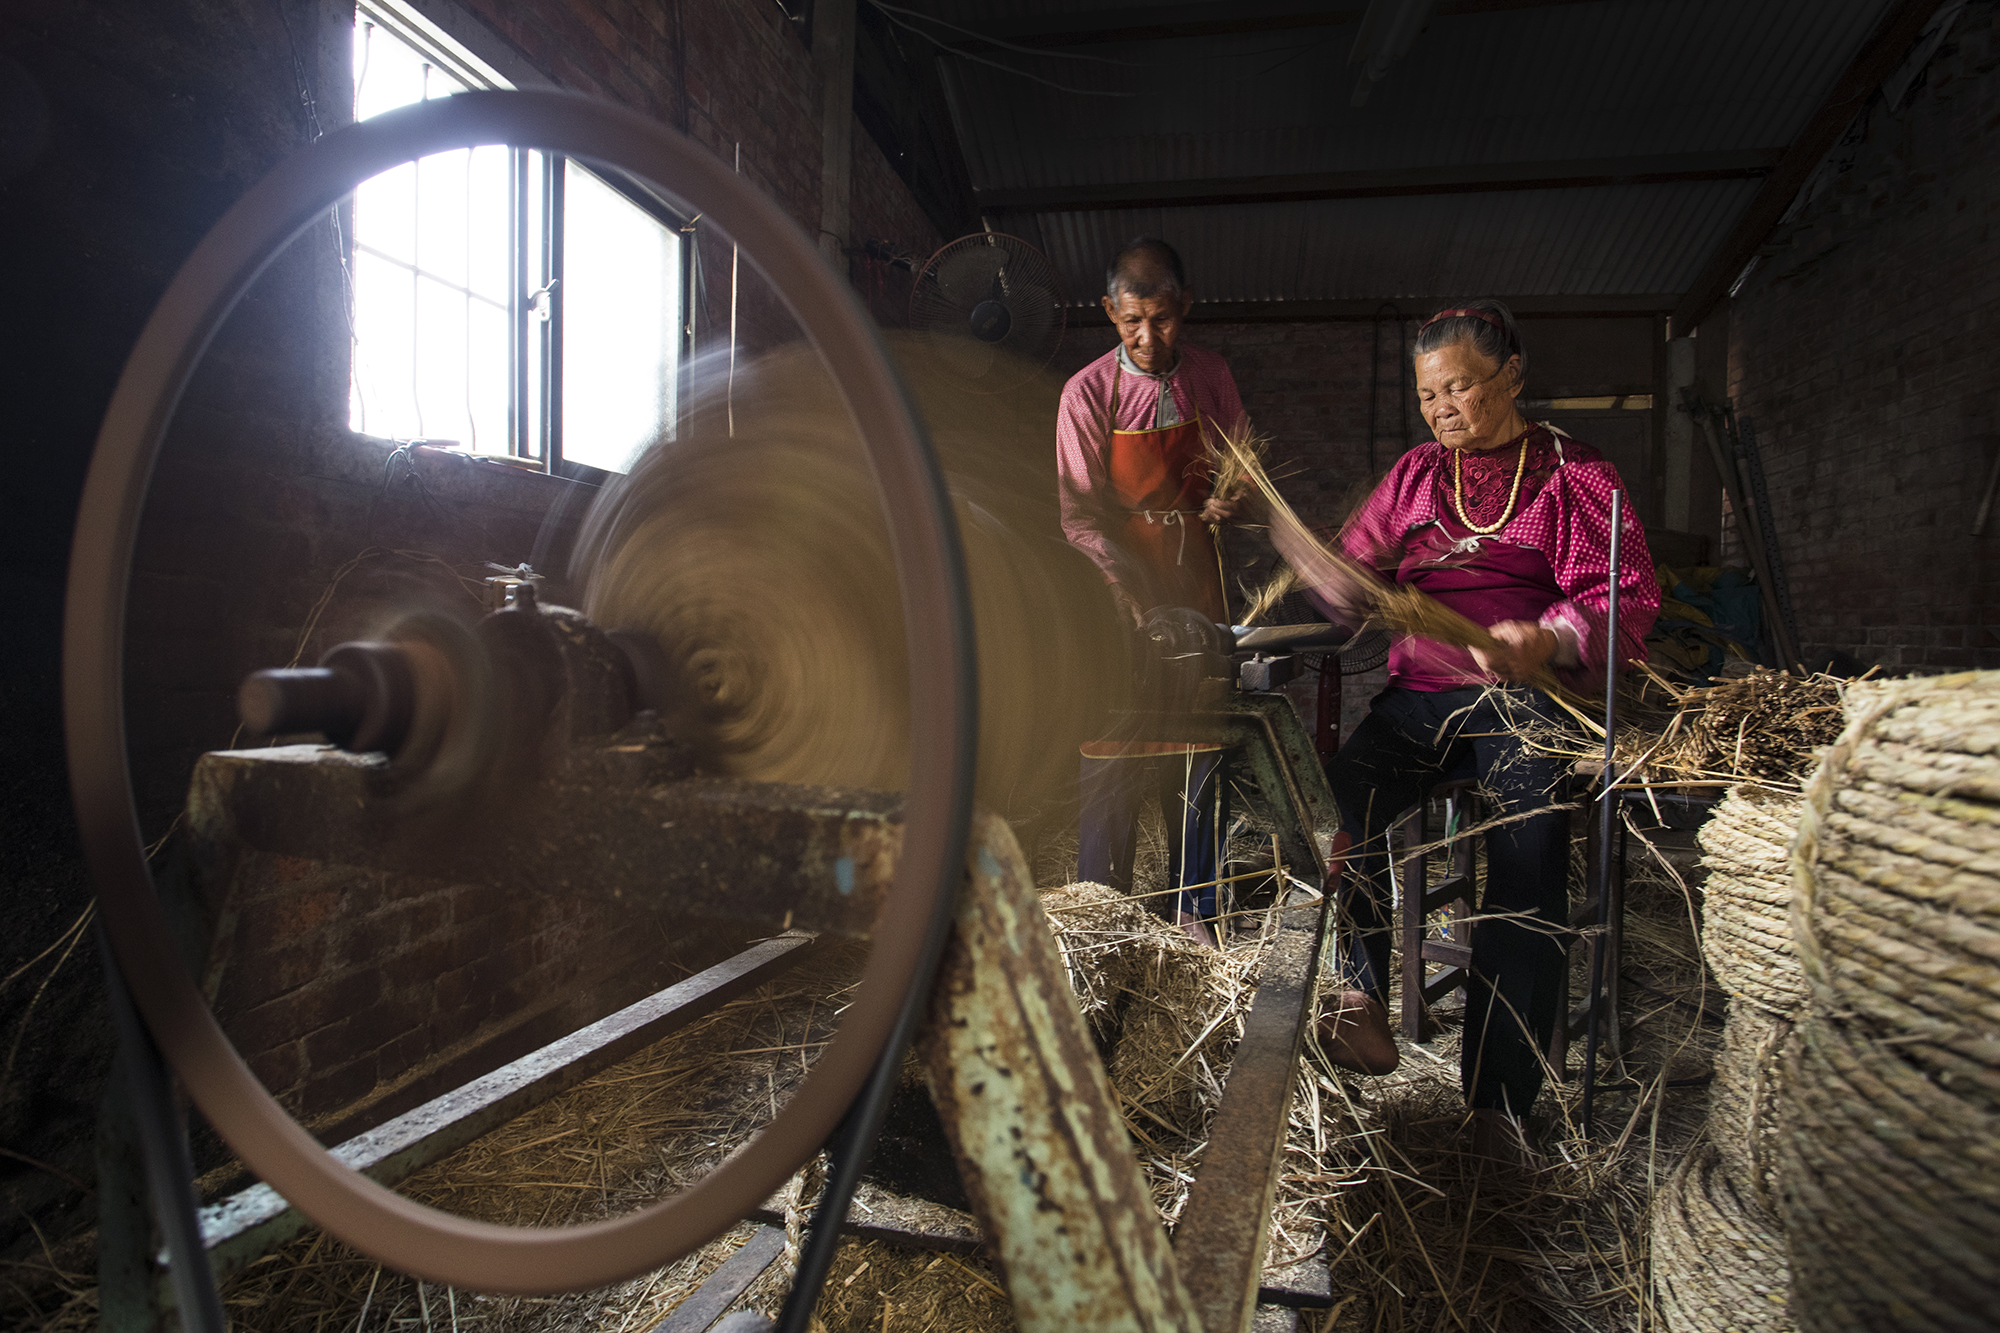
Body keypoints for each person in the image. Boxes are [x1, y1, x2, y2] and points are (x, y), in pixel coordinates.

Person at [1281, 299, 1658, 1165]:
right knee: (1335, 802)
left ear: (1513, 374)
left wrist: (1552, 636)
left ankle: (1497, 1102)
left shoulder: (1575, 474)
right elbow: (1352, 572)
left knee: (1526, 856)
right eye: (1429, 395)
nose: (1444, 409)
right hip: (1422, 695)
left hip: (1527, 700)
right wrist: (1324, 573)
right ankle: (1362, 1000)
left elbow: (1624, 598)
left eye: (1461, 388)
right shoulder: (1416, 475)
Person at [1057, 238, 1251, 946]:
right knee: (1114, 737)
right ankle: (1101, 913)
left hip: (1197, 577)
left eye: (1163, 319)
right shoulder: (1086, 392)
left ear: (1185, 308)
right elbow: (1079, 514)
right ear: (1110, 310)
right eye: (1132, 320)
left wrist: (1232, 497)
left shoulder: (1211, 376)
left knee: (1199, 744)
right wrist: (1121, 589)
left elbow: (1240, 466)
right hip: (1118, 587)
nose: (1147, 337)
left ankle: (1195, 913)